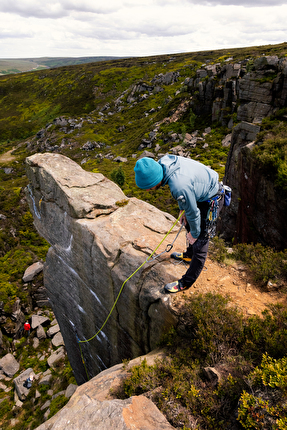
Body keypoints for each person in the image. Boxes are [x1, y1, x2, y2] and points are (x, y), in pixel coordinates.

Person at [134, 155, 225, 293]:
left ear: (156, 179)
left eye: (149, 187)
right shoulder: (164, 163)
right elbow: (187, 197)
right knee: (189, 223)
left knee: (200, 241)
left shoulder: (179, 186)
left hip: (211, 198)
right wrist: (183, 209)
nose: (148, 190)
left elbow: (193, 212)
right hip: (200, 191)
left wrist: (195, 234)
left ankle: (186, 282)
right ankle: (189, 254)